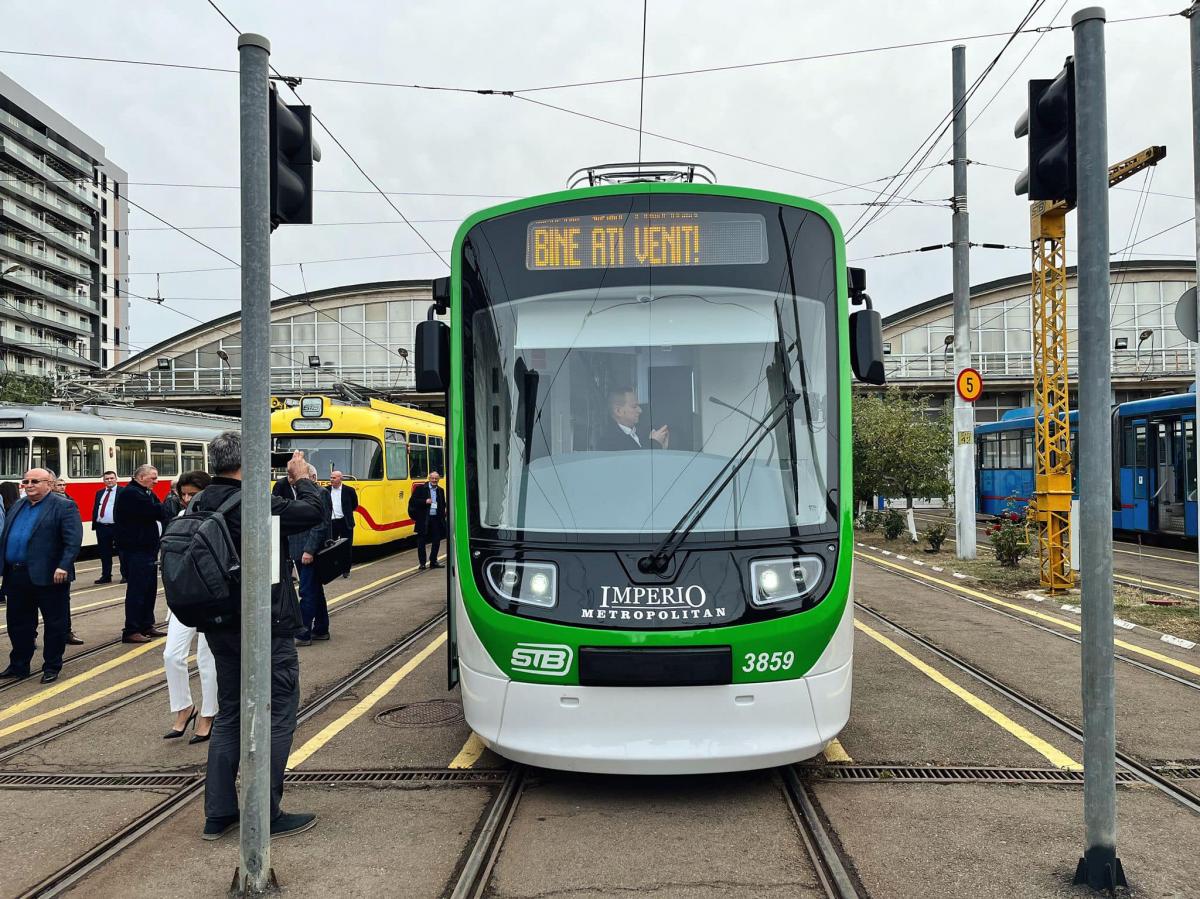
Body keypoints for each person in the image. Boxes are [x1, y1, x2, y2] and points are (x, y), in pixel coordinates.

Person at [194, 432, 323, 841]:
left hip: (217, 623)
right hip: (263, 623)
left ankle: (218, 814)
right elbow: (312, 512)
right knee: (278, 709)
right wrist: (303, 478)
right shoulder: (250, 500)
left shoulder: (199, 500)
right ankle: (265, 811)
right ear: (247, 461)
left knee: (230, 713)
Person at [0, 468, 83, 683]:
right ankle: (19, 664)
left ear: (50, 483)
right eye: (25, 481)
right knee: (18, 623)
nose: (29, 485)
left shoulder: (64, 506)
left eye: (35, 481)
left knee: (55, 623)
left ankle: (52, 666)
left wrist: (64, 566)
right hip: (17, 575)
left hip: (50, 576)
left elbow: (72, 540)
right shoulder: (18, 505)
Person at [162, 470, 217, 743]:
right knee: (171, 655)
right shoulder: (176, 520)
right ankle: (185, 707)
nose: (185, 499)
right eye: (182, 494)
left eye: (192, 495)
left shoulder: (218, 518)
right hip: (182, 599)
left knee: (208, 660)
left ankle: (208, 713)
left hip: (211, 599)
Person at [275, 464, 332, 646]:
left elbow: (320, 525)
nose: (291, 478)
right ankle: (321, 628)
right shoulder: (292, 491)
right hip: (298, 550)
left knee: (306, 592)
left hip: (309, 551)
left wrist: (309, 550)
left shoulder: (320, 493)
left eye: (295, 475)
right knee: (315, 590)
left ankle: (303, 633)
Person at [114, 464, 167, 644]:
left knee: (149, 588)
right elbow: (158, 511)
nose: (156, 481)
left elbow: (159, 511)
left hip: (147, 549)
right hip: (136, 549)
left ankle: (146, 624)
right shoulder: (131, 494)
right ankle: (132, 629)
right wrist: (163, 505)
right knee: (138, 589)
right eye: (153, 478)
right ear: (142, 477)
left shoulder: (145, 492)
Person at [49, 474, 84, 647]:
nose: (60, 487)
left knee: (62, 601)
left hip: (60, 564)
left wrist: (65, 564)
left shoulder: (67, 504)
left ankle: (66, 632)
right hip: (37, 566)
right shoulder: (27, 504)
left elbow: (73, 539)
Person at [596, 387, 669, 451]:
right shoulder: (608, 443)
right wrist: (654, 443)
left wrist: (662, 448)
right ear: (618, 411)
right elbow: (634, 464)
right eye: (634, 406)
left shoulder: (645, 433)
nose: (640, 410)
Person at [408, 471, 447, 570]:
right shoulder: (420, 489)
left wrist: (443, 511)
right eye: (432, 478)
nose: (434, 480)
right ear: (429, 479)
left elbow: (443, 503)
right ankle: (422, 563)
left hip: (436, 519)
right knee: (421, 542)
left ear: (438, 480)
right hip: (424, 519)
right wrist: (424, 501)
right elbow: (412, 501)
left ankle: (433, 561)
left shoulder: (440, 490)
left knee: (436, 541)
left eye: (436, 479)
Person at [91, 471, 124, 585]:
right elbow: (97, 507)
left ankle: (125, 575)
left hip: (117, 527)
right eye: (107, 479)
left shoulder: (122, 491)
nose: (109, 480)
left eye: (111, 478)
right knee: (104, 553)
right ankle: (106, 575)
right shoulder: (99, 492)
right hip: (102, 527)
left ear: (116, 479)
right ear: (103, 480)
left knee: (122, 551)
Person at [326, 470, 357, 577]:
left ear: (340, 478)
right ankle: (333, 570)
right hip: (331, 522)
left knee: (346, 546)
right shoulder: (326, 491)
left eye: (334, 478)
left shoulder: (349, 491)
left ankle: (346, 570)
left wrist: (346, 514)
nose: (331, 480)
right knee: (330, 547)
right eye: (331, 477)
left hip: (345, 521)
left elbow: (355, 505)